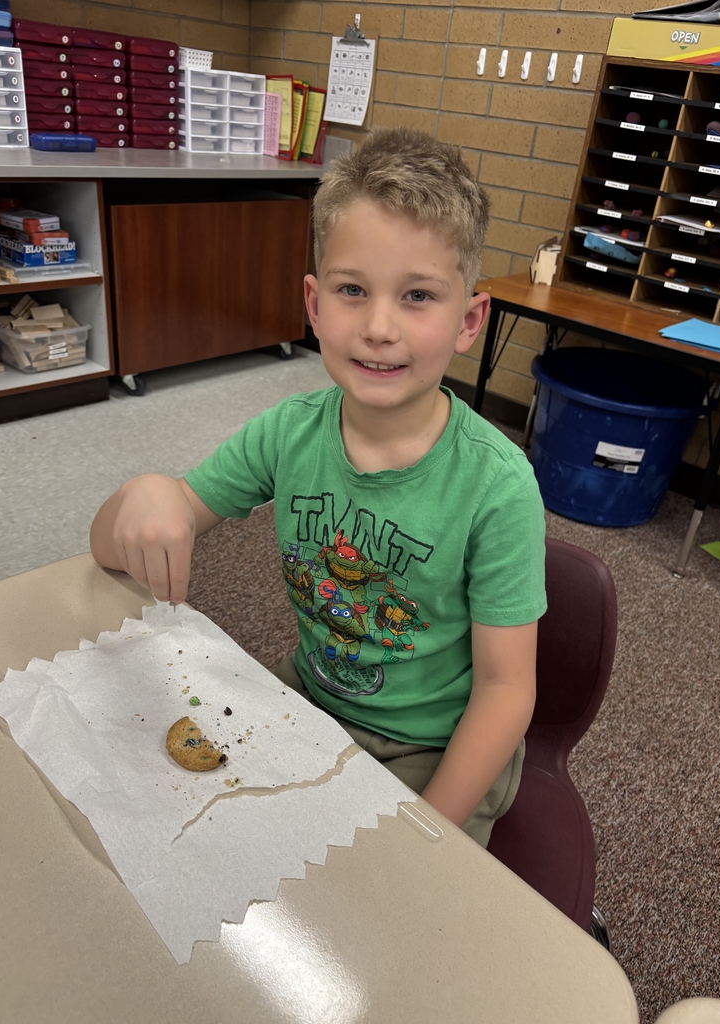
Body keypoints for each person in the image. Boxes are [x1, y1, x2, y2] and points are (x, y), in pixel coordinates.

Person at [90, 127, 547, 848]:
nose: (378, 327)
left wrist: (427, 830)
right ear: (313, 303)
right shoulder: (288, 433)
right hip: (310, 698)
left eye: (418, 295)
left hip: (433, 744)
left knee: (377, 898)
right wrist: (146, 490)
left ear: (468, 321)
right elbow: (109, 547)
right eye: (352, 290)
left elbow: (506, 690)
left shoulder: (498, 485)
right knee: (190, 831)